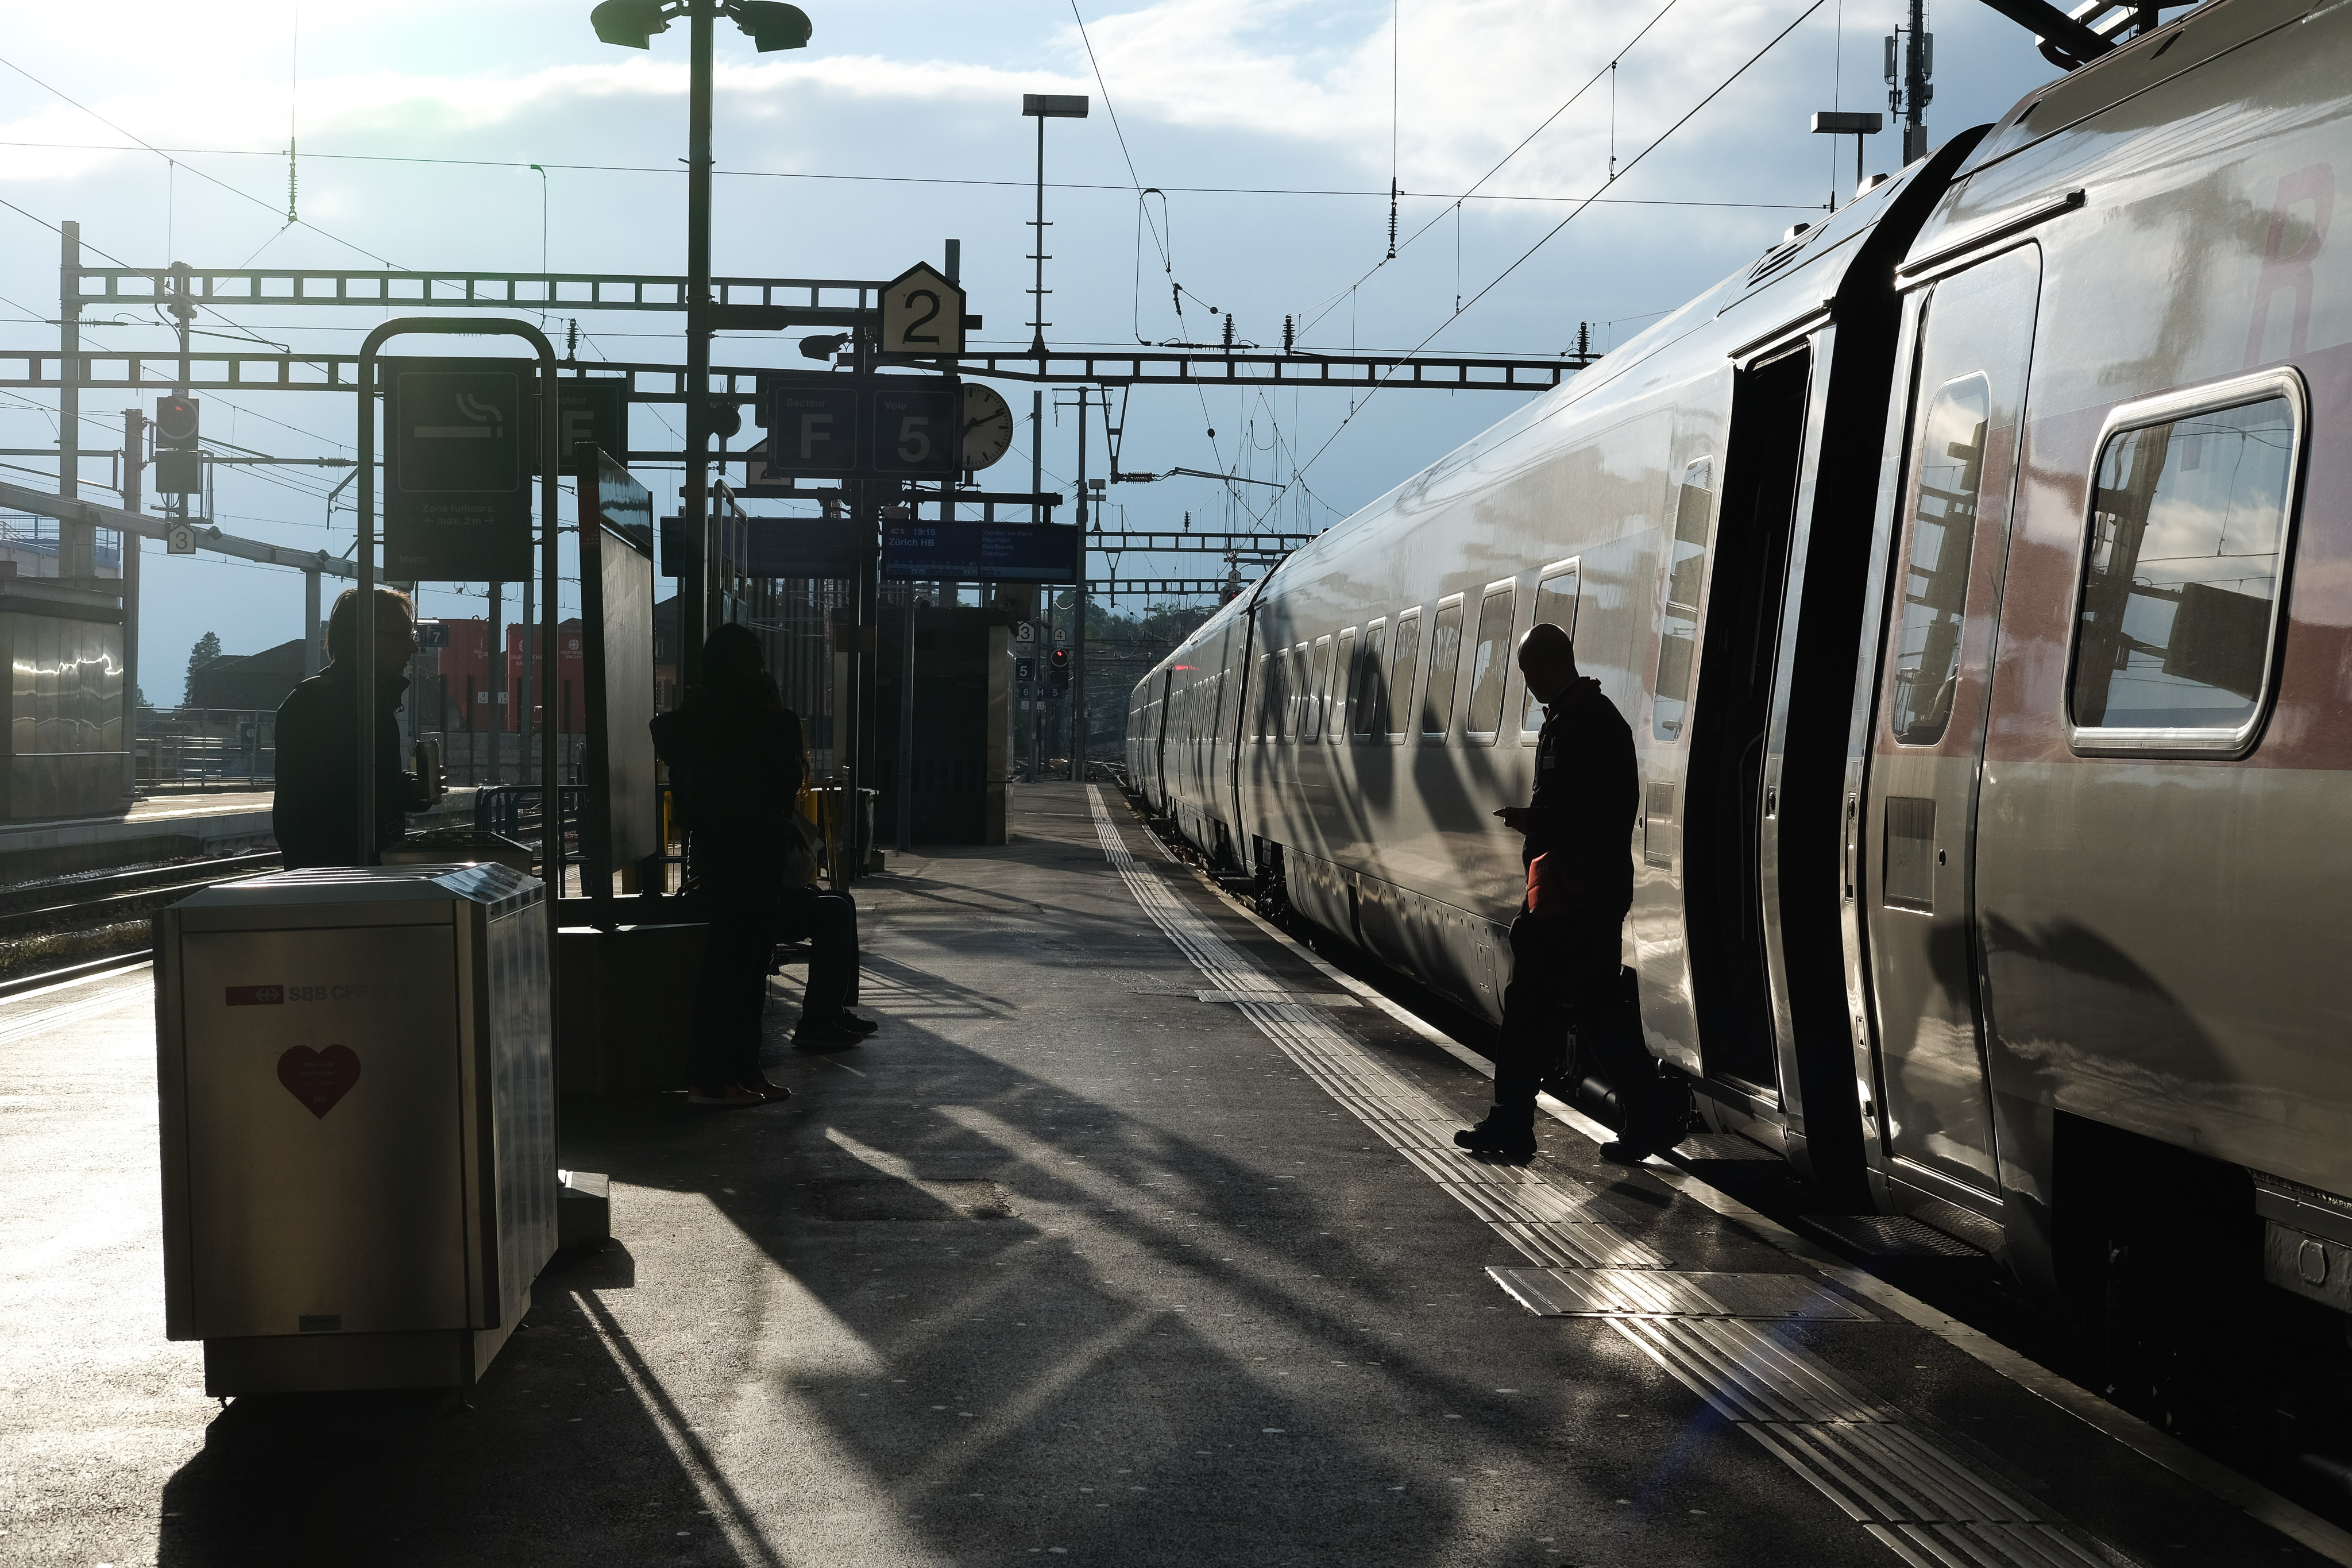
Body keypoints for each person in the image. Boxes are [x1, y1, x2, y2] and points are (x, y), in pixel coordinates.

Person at [1459, 623, 1682, 1164]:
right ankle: (1643, 1115)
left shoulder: (1590, 724)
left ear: (1545, 666)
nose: (1529, 685)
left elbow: (1599, 815)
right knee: (1586, 1009)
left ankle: (1517, 1122)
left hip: (1576, 897)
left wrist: (1533, 819)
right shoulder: (1574, 719)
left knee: (1540, 1009)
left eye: (1529, 673)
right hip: (1566, 893)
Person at [651, 624, 873, 1108]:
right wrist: (777, 720)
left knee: (746, 972)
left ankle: (742, 1074)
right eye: (750, 663)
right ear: (731, 669)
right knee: (734, 973)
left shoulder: (712, 720)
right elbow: (775, 780)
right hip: (739, 860)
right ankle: (717, 1080)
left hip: (740, 859)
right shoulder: (727, 726)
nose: (759, 673)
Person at [273, 586, 440, 870]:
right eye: (403, 637)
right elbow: (331, 801)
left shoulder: (344, 700)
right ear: (364, 640)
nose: (413, 647)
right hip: (340, 881)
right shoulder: (329, 704)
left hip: (350, 875)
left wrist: (405, 788)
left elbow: (350, 783)